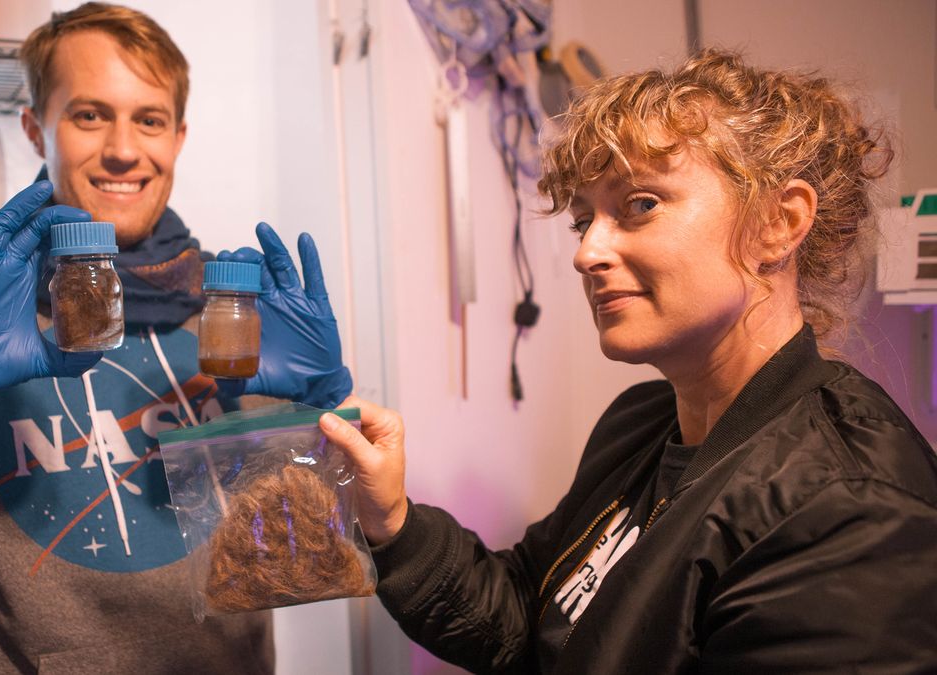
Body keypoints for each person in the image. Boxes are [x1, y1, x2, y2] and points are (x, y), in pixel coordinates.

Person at [0, 3, 348, 672]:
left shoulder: (240, 321)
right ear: (34, 128)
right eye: (89, 114)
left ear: (178, 138)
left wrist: (323, 411)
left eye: (149, 119)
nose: (125, 148)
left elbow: (309, 558)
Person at [314, 49, 937, 672]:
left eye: (640, 205)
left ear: (778, 222)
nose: (587, 253)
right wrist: (390, 518)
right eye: (583, 221)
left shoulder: (848, 507)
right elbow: (522, 622)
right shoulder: (641, 423)